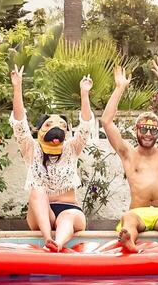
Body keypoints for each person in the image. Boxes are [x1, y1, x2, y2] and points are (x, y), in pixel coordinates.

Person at [100, 56, 158, 251]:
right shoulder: (128, 154)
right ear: (136, 131)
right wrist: (119, 88)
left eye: (153, 130)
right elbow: (107, 122)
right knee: (128, 220)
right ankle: (129, 241)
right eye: (144, 129)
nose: (148, 134)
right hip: (138, 213)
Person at [8, 65, 99, 252]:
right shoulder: (31, 148)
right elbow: (19, 123)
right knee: (37, 190)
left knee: (66, 218)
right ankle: (48, 238)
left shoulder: (71, 148)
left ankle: (57, 243)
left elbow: (86, 126)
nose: (55, 127)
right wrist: (17, 87)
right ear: (39, 130)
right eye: (48, 124)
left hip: (70, 210)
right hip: (42, 214)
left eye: (61, 125)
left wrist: (84, 94)